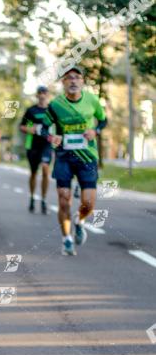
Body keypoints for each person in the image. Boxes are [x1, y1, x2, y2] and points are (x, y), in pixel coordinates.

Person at [46, 66, 107, 256]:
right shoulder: (56, 104)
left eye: (77, 77)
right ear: (63, 83)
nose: (73, 81)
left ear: (82, 82)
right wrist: (51, 137)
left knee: (88, 204)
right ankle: (67, 240)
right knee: (64, 200)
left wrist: (94, 131)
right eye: (68, 78)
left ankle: (79, 222)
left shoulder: (92, 100)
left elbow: (103, 120)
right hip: (64, 156)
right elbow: (41, 127)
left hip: (87, 157)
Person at [20, 86, 53, 214]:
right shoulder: (31, 110)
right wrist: (29, 129)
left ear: (48, 94)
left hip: (47, 144)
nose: (42, 95)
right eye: (40, 93)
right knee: (33, 173)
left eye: (44, 92)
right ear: (37, 95)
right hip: (33, 145)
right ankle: (32, 197)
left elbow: (60, 125)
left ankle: (44, 200)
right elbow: (22, 126)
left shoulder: (52, 110)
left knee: (45, 169)